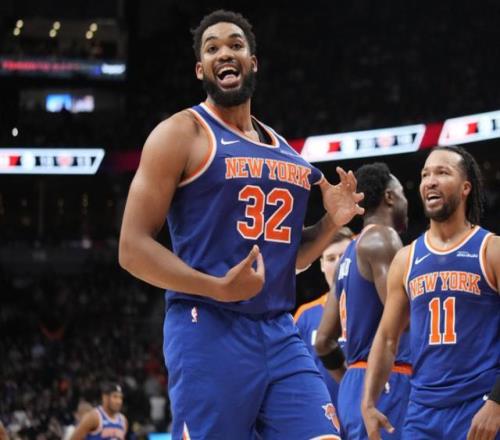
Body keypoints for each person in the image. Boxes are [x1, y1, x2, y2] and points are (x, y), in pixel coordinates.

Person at [119, 9, 364, 439]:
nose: (224, 53)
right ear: (200, 69)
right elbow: (132, 248)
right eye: (211, 48)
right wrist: (217, 287)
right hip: (208, 327)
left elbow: (291, 258)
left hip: (279, 330)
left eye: (235, 45)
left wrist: (331, 223)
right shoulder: (181, 133)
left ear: (253, 61)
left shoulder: (285, 150)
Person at [361, 146, 500, 440]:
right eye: (425, 175)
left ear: (465, 188)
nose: (430, 181)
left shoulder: (491, 250)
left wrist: (496, 403)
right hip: (422, 411)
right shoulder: (406, 259)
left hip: (479, 405)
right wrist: (368, 403)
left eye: (442, 172)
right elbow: (387, 338)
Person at [315, 162, 411, 439]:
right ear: (390, 197)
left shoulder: (349, 252)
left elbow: (323, 341)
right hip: (387, 380)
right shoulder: (383, 238)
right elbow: (401, 320)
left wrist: (354, 382)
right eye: (402, 193)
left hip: (353, 387)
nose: (406, 202)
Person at [293, 226, 353, 406]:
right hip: (322, 413)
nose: (338, 264)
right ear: (321, 265)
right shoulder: (304, 315)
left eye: (343, 256)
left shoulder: (375, 308)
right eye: (331, 258)